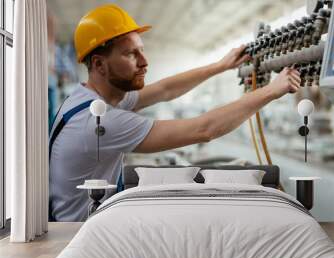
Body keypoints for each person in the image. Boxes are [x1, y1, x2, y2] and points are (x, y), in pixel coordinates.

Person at [49, 3, 301, 222]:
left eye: (142, 50)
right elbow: (204, 129)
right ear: (99, 64)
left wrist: (220, 66)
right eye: (130, 54)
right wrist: (272, 90)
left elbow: (165, 89)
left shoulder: (92, 98)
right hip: (79, 231)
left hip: (82, 219)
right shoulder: (99, 121)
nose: (144, 62)